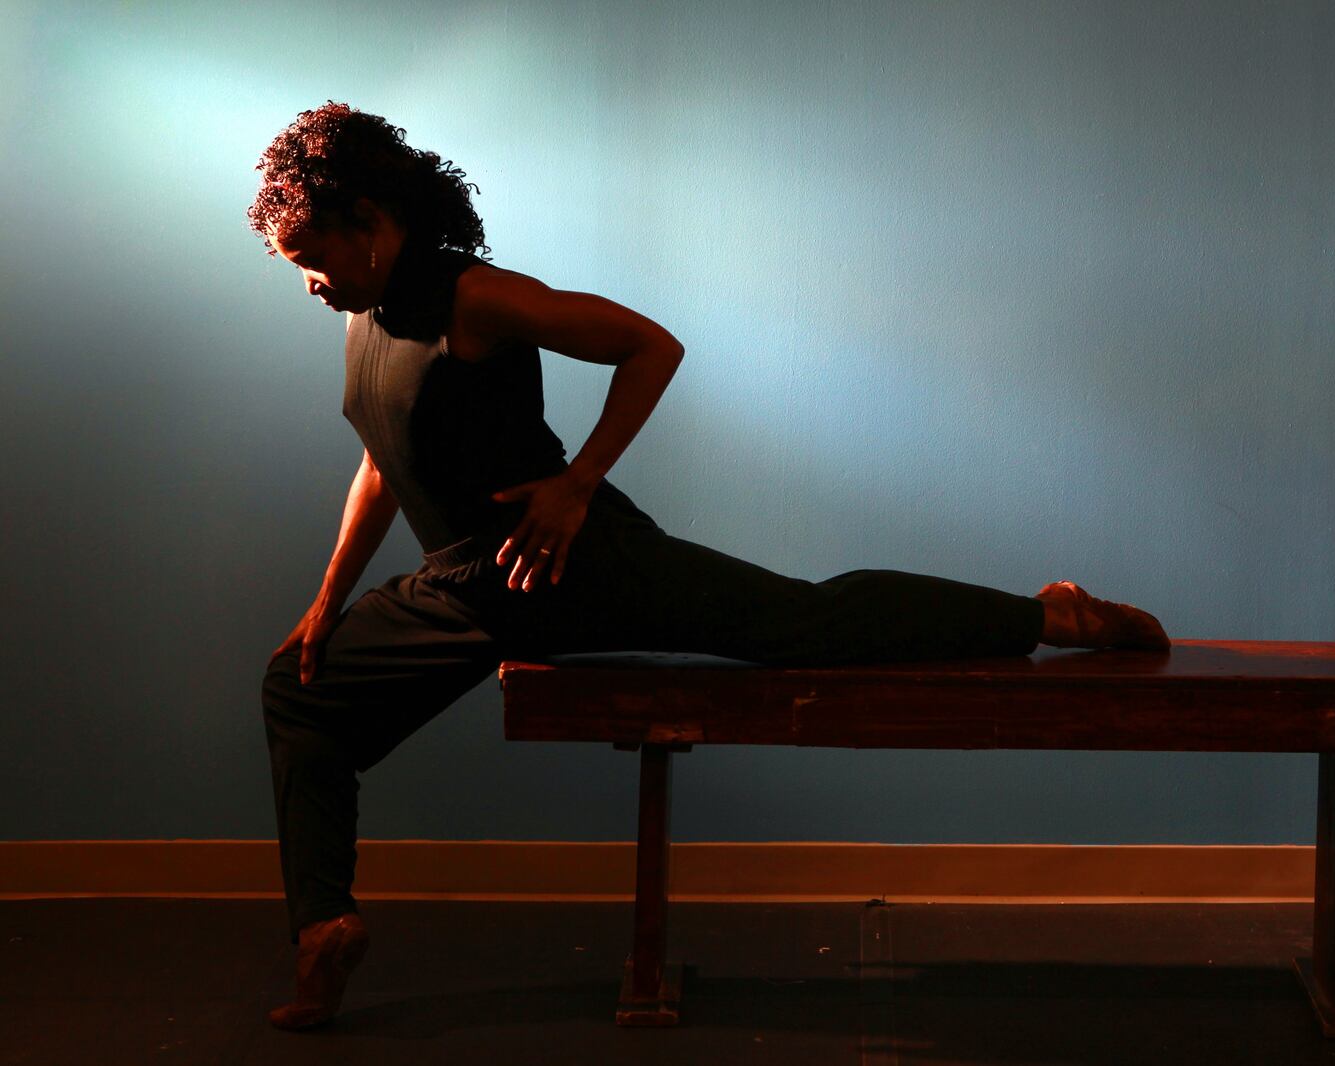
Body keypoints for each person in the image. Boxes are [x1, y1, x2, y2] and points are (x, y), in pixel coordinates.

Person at [246, 101, 1169, 1030]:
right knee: (300, 689)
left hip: (574, 569)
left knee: (807, 623)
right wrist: (327, 602)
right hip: (465, 592)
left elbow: (652, 346)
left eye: (314, 256)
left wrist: (576, 484)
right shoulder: (368, 320)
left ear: (371, 221)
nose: (312, 284)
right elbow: (381, 464)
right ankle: (324, 926)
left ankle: (1050, 616)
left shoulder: (475, 298)